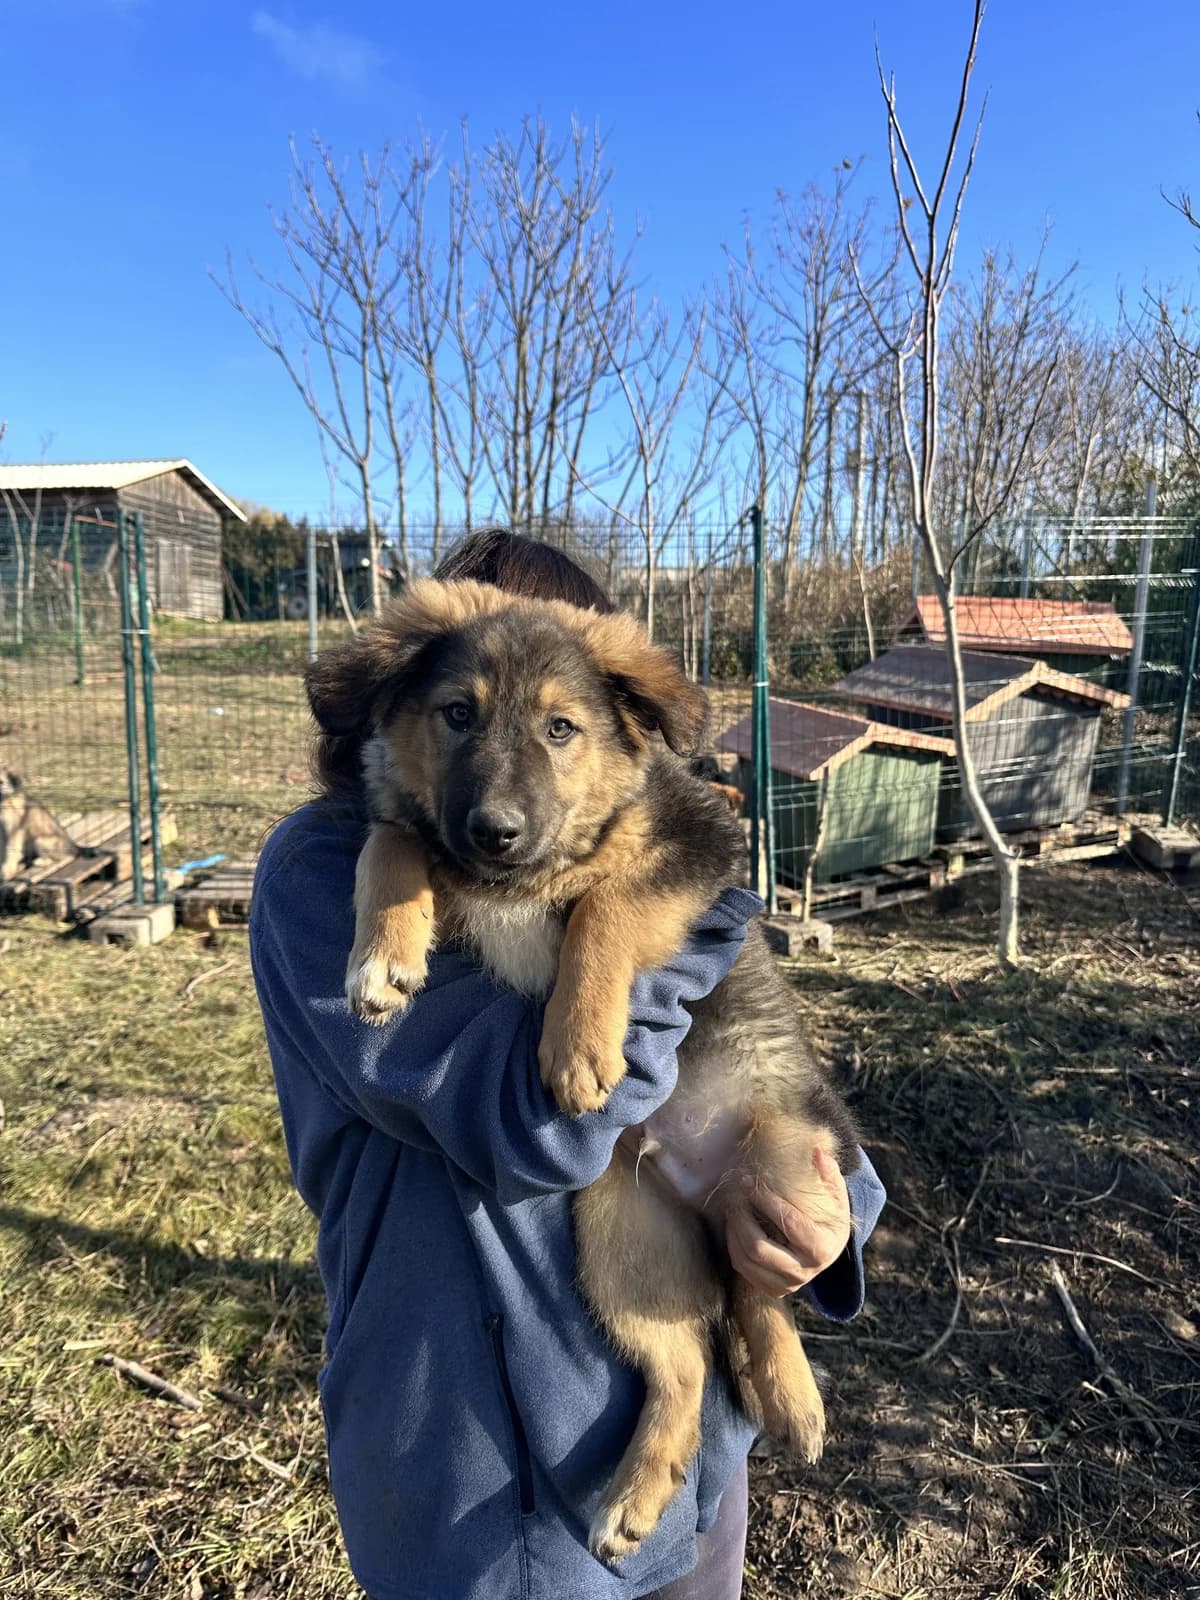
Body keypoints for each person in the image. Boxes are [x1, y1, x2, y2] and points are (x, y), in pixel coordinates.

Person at [250, 530, 885, 1600]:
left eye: (557, 727)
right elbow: (546, 1122)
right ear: (398, 706)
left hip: (698, 1466)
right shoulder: (323, 877)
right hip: (483, 1496)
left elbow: (757, 1052)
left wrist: (832, 1222)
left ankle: (733, 1356)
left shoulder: (632, 839)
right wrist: (684, 931)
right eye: (460, 715)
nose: (501, 787)